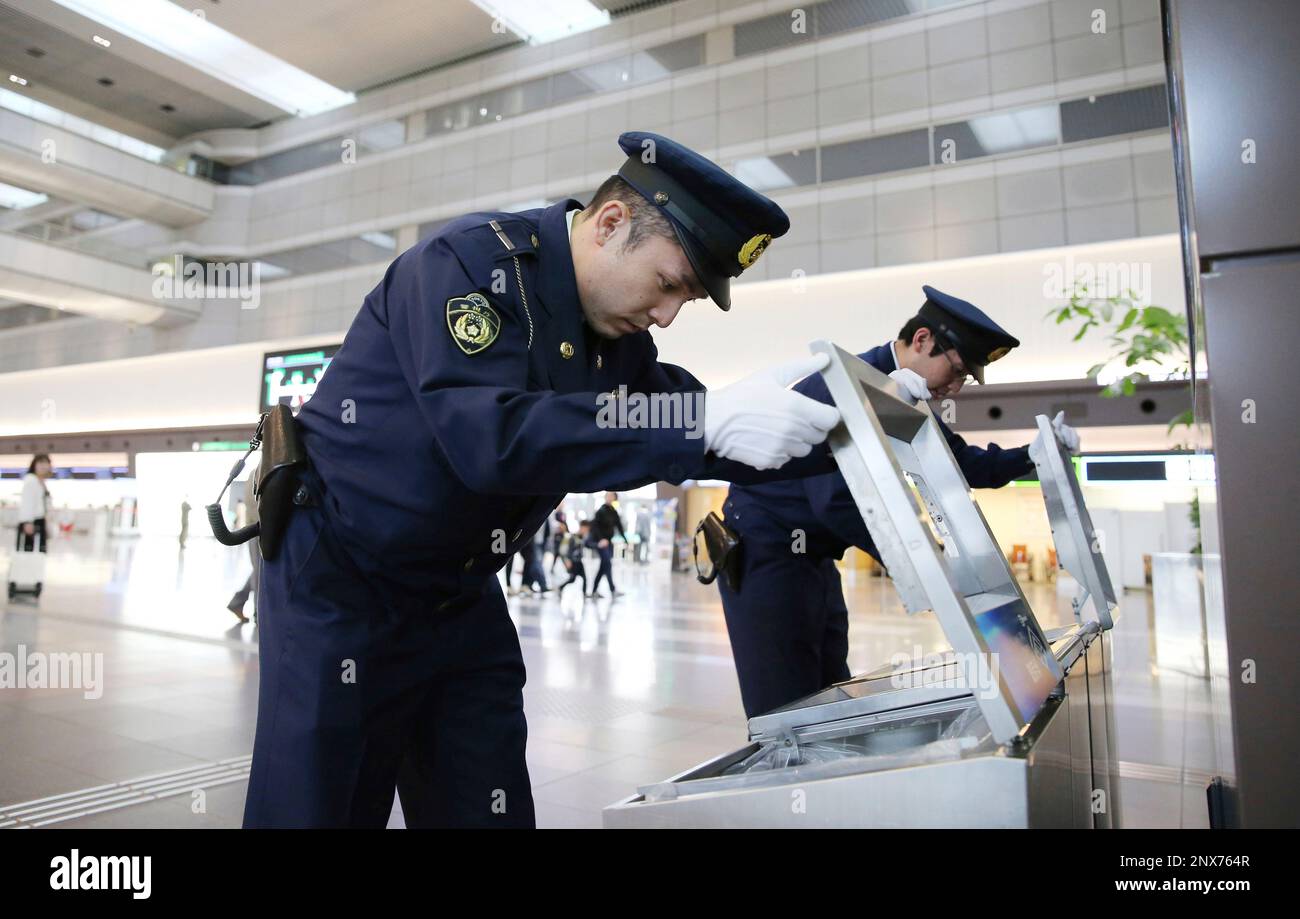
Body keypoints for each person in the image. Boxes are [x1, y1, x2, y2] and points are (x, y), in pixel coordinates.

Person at [242, 131, 841, 828]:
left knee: (485, 805)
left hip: (456, 597)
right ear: (612, 223)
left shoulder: (619, 343)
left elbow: (692, 426)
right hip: (342, 583)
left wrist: (841, 424)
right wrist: (702, 421)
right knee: (319, 807)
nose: (668, 313)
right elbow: (490, 437)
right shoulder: (467, 265)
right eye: (670, 282)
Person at [716, 286, 1082, 719]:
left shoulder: (905, 394)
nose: (957, 387)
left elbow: (962, 464)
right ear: (923, 340)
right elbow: (833, 500)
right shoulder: (845, 384)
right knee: (786, 708)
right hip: (767, 553)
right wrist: (924, 563)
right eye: (958, 370)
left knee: (828, 690)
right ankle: (789, 787)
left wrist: (1032, 455)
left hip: (812, 557)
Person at [589, 491, 626, 597]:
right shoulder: (601, 510)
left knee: (604, 566)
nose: (609, 498)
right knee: (607, 564)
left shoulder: (613, 511)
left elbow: (619, 526)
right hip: (601, 542)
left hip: (609, 542)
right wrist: (601, 539)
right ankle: (612, 589)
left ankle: (594, 591)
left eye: (612, 496)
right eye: (608, 496)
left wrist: (625, 539)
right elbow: (594, 527)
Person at [17, 454, 52, 552]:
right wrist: (28, 522)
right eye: (40, 463)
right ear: (34, 465)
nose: (43, 466)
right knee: (27, 553)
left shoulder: (41, 481)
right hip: (31, 522)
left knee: (39, 553)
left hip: (40, 521)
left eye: (46, 463)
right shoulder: (31, 480)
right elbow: (27, 502)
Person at [557, 519, 593, 596]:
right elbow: (569, 550)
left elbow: (588, 545)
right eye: (586, 529)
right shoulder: (573, 537)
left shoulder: (582, 537)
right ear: (582, 527)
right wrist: (568, 560)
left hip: (579, 561)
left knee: (582, 578)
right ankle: (560, 587)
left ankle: (584, 593)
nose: (586, 531)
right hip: (574, 561)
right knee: (573, 579)